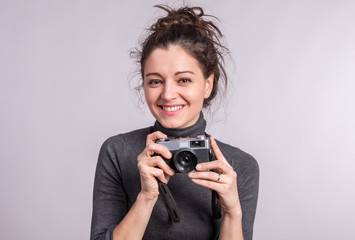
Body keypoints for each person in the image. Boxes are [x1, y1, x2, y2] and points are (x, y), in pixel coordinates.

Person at [90, 5, 259, 240]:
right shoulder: (119, 152)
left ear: (207, 85)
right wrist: (146, 198)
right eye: (155, 81)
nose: (168, 94)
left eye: (184, 80)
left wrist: (232, 213)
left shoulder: (239, 166)